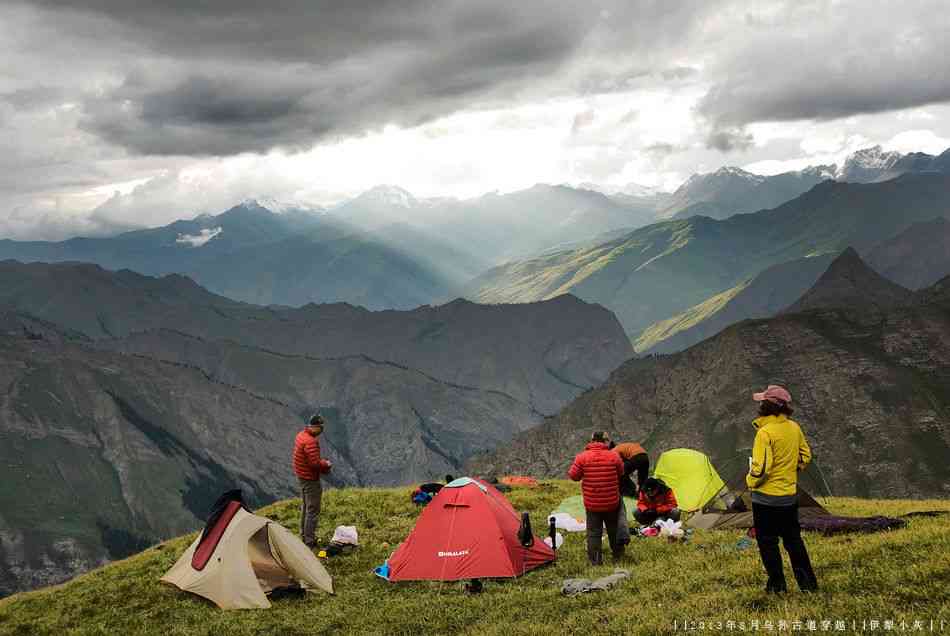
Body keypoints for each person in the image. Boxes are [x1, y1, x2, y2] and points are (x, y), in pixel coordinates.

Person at [747, 384, 818, 593]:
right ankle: (808, 585)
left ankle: (777, 586)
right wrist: (789, 469)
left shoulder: (765, 433)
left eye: (762, 401)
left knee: (768, 542)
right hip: (788, 496)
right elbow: (805, 456)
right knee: (793, 540)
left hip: (766, 499)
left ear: (767, 406)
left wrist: (750, 481)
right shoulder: (794, 427)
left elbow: (762, 470)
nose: (759, 404)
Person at [568, 431, 625, 565]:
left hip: (592, 504)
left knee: (594, 532)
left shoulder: (582, 457)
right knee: (613, 528)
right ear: (605, 441)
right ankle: (618, 556)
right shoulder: (614, 456)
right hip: (612, 502)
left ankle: (595, 561)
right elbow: (621, 472)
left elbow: (574, 476)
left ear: (591, 440)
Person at [293, 413, 332, 547]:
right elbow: (314, 464)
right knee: (313, 509)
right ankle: (309, 541)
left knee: (306, 506)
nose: (322, 430)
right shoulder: (311, 441)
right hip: (310, 479)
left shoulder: (301, 436)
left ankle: (303, 535)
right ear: (315, 427)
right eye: (321, 427)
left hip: (301, 476)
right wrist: (326, 464)